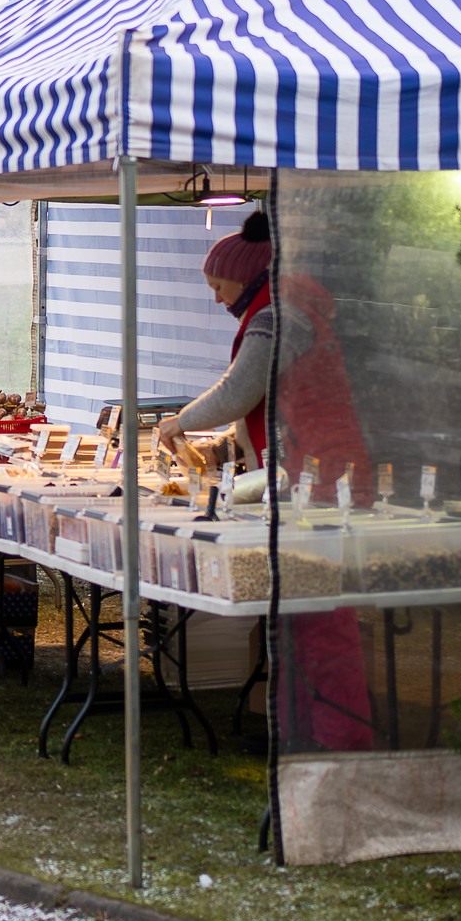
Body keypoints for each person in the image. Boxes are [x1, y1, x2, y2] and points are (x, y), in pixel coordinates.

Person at [155, 209, 374, 752]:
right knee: (300, 616)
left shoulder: (278, 317)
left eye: (218, 285)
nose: (216, 298)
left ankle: (339, 741)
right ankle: (303, 732)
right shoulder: (283, 310)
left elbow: (238, 392)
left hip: (320, 479)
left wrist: (178, 422)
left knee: (320, 618)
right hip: (309, 471)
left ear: (246, 274)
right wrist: (227, 445)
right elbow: (263, 406)